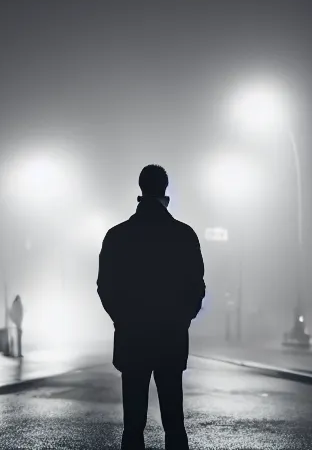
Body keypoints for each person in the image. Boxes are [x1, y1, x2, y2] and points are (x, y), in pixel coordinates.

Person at [97, 164, 206, 450]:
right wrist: (182, 319)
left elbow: (105, 286)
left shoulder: (117, 235)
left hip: (132, 337)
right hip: (171, 336)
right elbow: (197, 287)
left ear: (140, 189)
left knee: (133, 424)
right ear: (165, 190)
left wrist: (121, 319)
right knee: (174, 422)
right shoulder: (184, 235)